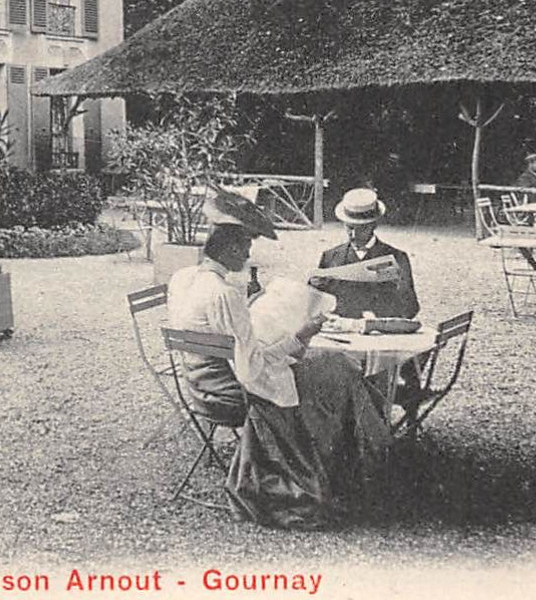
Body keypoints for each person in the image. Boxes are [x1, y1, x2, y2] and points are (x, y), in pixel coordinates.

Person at [167, 222, 392, 529]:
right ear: (231, 249)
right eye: (245, 250)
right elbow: (253, 370)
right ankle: (354, 470)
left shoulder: (183, 279)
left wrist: (292, 344)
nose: (248, 257)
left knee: (325, 367)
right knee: (337, 375)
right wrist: (300, 336)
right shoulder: (225, 294)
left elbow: (242, 353)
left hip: (198, 383)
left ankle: (353, 463)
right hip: (232, 392)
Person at [312, 189, 421, 321]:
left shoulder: (397, 257)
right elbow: (315, 306)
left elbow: (411, 309)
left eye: (362, 229)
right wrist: (314, 286)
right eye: (349, 228)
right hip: (341, 331)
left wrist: (401, 288)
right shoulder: (330, 257)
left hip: (380, 334)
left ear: (374, 225)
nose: (354, 235)